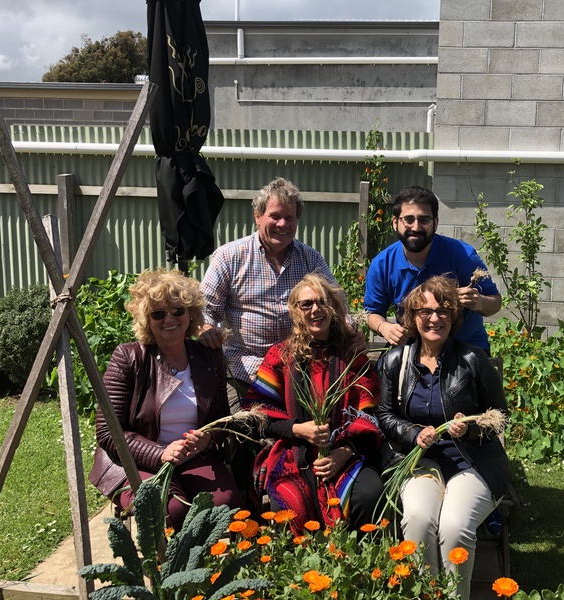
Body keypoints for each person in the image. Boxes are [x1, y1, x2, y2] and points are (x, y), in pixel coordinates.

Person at [375, 276, 510, 600]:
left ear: (453, 315)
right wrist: (412, 432)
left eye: (442, 311)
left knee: (455, 524)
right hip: (419, 462)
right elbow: (385, 415)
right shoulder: (395, 361)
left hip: (473, 461)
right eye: (425, 311)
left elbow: (500, 415)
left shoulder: (472, 359)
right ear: (412, 316)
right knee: (418, 520)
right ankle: (428, 594)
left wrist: (471, 427)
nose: (434, 318)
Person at [88, 269, 241, 531]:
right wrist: (160, 453)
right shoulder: (129, 358)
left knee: (225, 505)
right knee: (170, 509)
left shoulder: (208, 357)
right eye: (158, 314)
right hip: (138, 460)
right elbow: (107, 432)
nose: (169, 319)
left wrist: (208, 439)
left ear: (190, 314)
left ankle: (204, 556)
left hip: (193, 457)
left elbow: (221, 418)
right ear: (146, 318)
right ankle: (169, 556)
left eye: (178, 311)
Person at [199, 177, 365, 406]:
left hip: (301, 372)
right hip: (246, 374)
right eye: (275, 216)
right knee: (245, 425)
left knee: (327, 421)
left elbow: (338, 305)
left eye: (290, 218)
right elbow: (204, 310)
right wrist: (206, 328)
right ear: (258, 216)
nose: (282, 224)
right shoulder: (229, 257)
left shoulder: (310, 259)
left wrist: (350, 330)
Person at [242, 274, 383, 532]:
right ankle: (300, 557)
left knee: (368, 494)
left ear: (333, 307)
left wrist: (345, 451)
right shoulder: (280, 356)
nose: (316, 309)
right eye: (306, 304)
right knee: (290, 503)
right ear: (295, 312)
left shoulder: (352, 357)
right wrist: (298, 429)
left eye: (322, 301)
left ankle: (356, 554)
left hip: (346, 453)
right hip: (294, 454)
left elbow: (370, 415)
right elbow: (255, 414)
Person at [365, 185, 501, 353]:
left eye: (424, 220)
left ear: (435, 223)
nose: (416, 227)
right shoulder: (382, 264)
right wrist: (384, 327)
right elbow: (372, 313)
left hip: (466, 350)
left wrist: (479, 301)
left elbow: (495, 302)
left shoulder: (462, 255)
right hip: (412, 350)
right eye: (408, 220)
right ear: (395, 223)